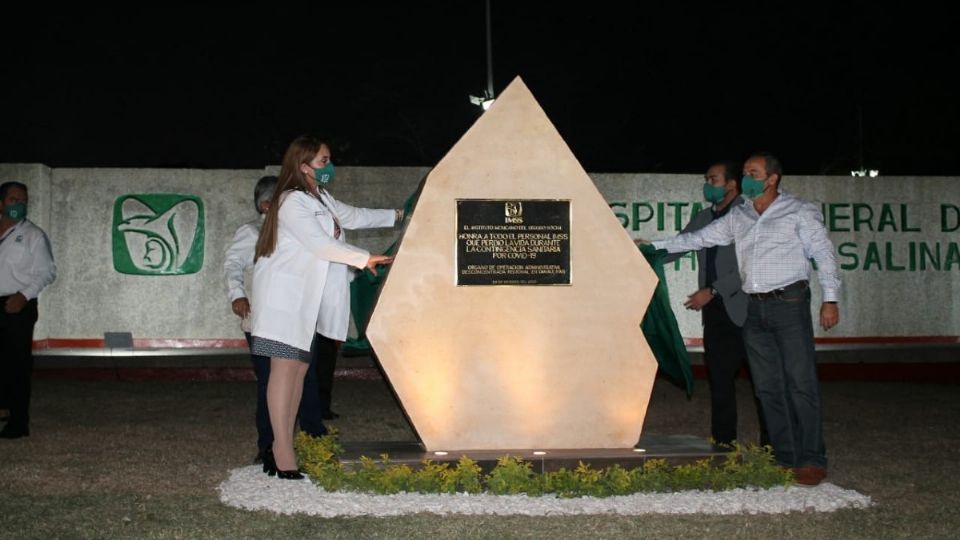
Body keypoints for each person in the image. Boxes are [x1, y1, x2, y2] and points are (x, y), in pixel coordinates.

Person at [651, 152, 840, 486]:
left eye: (754, 173)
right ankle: (783, 458)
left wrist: (830, 299)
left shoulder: (798, 211)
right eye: (746, 173)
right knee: (767, 388)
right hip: (754, 309)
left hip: (790, 303)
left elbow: (823, 255)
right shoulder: (740, 216)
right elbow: (698, 238)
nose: (748, 178)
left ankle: (811, 459)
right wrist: (651, 245)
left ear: (772, 178)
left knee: (800, 383)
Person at [250, 135, 399, 479]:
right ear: (303, 167)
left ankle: (283, 445)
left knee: (298, 373)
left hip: (305, 301)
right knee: (284, 372)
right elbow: (319, 244)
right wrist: (363, 259)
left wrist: (401, 213)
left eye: (329, 159)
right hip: (284, 300)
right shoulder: (291, 202)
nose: (329, 166)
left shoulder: (322, 198)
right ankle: (281, 451)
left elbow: (357, 216)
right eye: (323, 161)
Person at [662, 161, 767, 448]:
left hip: (748, 310)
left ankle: (772, 449)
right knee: (720, 381)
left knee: (763, 384)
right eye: (706, 179)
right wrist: (646, 251)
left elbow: (750, 267)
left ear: (732, 184)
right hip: (716, 314)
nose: (708, 184)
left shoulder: (750, 215)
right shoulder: (704, 217)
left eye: (713, 179)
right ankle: (723, 445)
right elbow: (681, 244)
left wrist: (714, 290)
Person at [224, 175, 327, 464]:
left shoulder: (297, 230)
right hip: (267, 323)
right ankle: (269, 446)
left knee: (305, 378)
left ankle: (313, 438)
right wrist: (237, 295)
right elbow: (232, 264)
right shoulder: (252, 231)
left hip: (299, 319)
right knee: (271, 380)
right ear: (267, 205)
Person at [0, 181, 56, 439]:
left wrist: (23, 296)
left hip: (17, 305)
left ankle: (19, 422)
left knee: (17, 364)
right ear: (1, 203)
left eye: (23, 201)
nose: (19, 205)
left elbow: (47, 272)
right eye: (13, 200)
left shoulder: (34, 235)